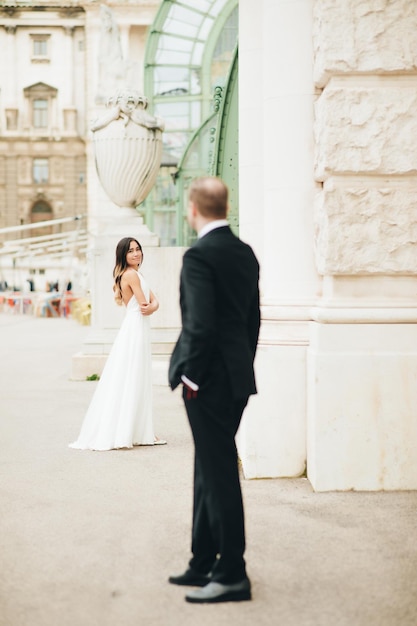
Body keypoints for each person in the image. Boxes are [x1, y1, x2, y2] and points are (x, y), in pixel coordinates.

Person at [168, 177, 261, 603]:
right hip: (236, 379)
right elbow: (252, 323)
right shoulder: (245, 253)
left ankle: (232, 574)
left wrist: (190, 376)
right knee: (209, 468)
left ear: (193, 208)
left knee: (219, 474)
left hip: (206, 382)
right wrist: (240, 368)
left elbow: (199, 326)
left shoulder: (199, 256)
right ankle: (202, 560)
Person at [69, 237, 166, 450]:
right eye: (131, 251)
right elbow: (146, 304)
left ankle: (139, 429)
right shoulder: (130, 274)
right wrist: (153, 305)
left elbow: (155, 301)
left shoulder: (135, 273)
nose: (136, 253)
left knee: (135, 375)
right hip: (136, 327)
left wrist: (154, 305)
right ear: (123, 255)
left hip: (137, 326)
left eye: (138, 249)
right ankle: (133, 430)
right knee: (134, 375)